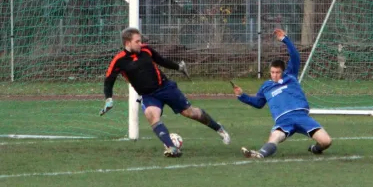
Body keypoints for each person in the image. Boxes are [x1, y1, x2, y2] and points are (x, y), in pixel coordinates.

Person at [102, 27, 231, 157]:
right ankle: (172, 148)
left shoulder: (146, 50)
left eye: (141, 41)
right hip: (148, 95)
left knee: (191, 113)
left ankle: (220, 129)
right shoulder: (119, 60)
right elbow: (108, 81)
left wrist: (178, 67)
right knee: (151, 115)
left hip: (166, 88)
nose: (141, 44)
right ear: (127, 43)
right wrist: (109, 99)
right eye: (137, 41)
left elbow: (161, 60)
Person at [232, 28, 332, 159]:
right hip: (283, 121)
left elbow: (295, 56)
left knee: (326, 142)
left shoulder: (290, 76)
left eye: (277, 72)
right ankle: (259, 154)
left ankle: (315, 149)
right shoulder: (266, 87)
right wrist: (242, 95)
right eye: (272, 72)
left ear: (283, 71)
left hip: (301, 116)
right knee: (275, 137)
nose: (274, 75)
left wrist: (285, 39)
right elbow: (258, 103)